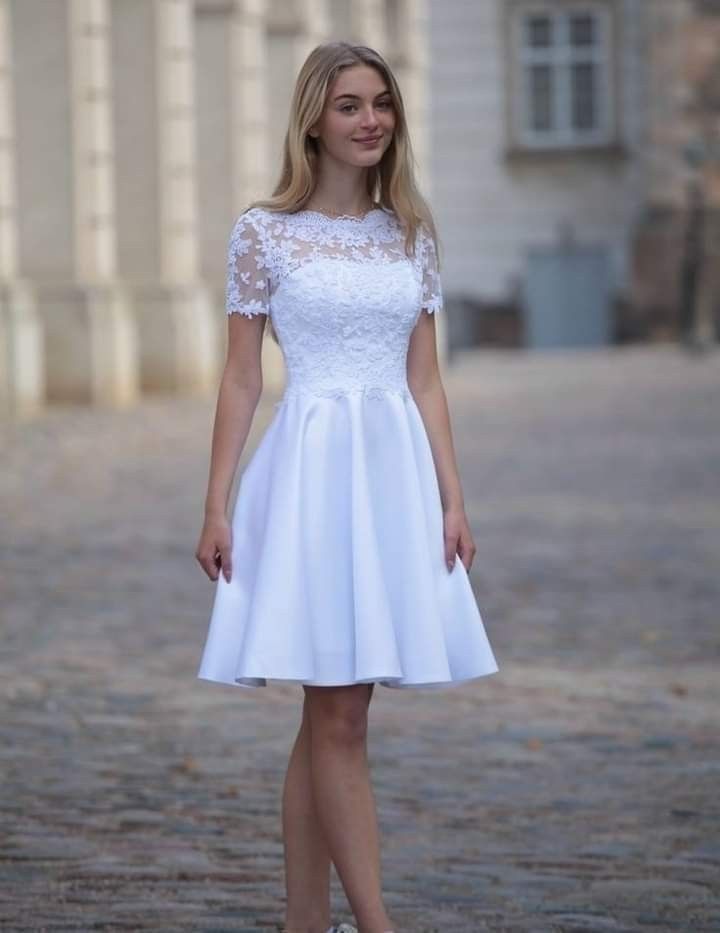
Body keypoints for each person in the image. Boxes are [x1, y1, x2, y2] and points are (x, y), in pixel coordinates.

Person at [194, 40, 499, 933]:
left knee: (332, 714)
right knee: (339, 716)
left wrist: (452, 496)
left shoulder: (411, 233)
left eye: (382, 103)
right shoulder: (263, 233)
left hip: (392, 478)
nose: (372, 121)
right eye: (350, 106)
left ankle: (303, 923)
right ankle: (375, 925)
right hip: (310, 479)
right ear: (313, 123)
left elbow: (428, 379)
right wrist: (215, 501)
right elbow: (242, 377)